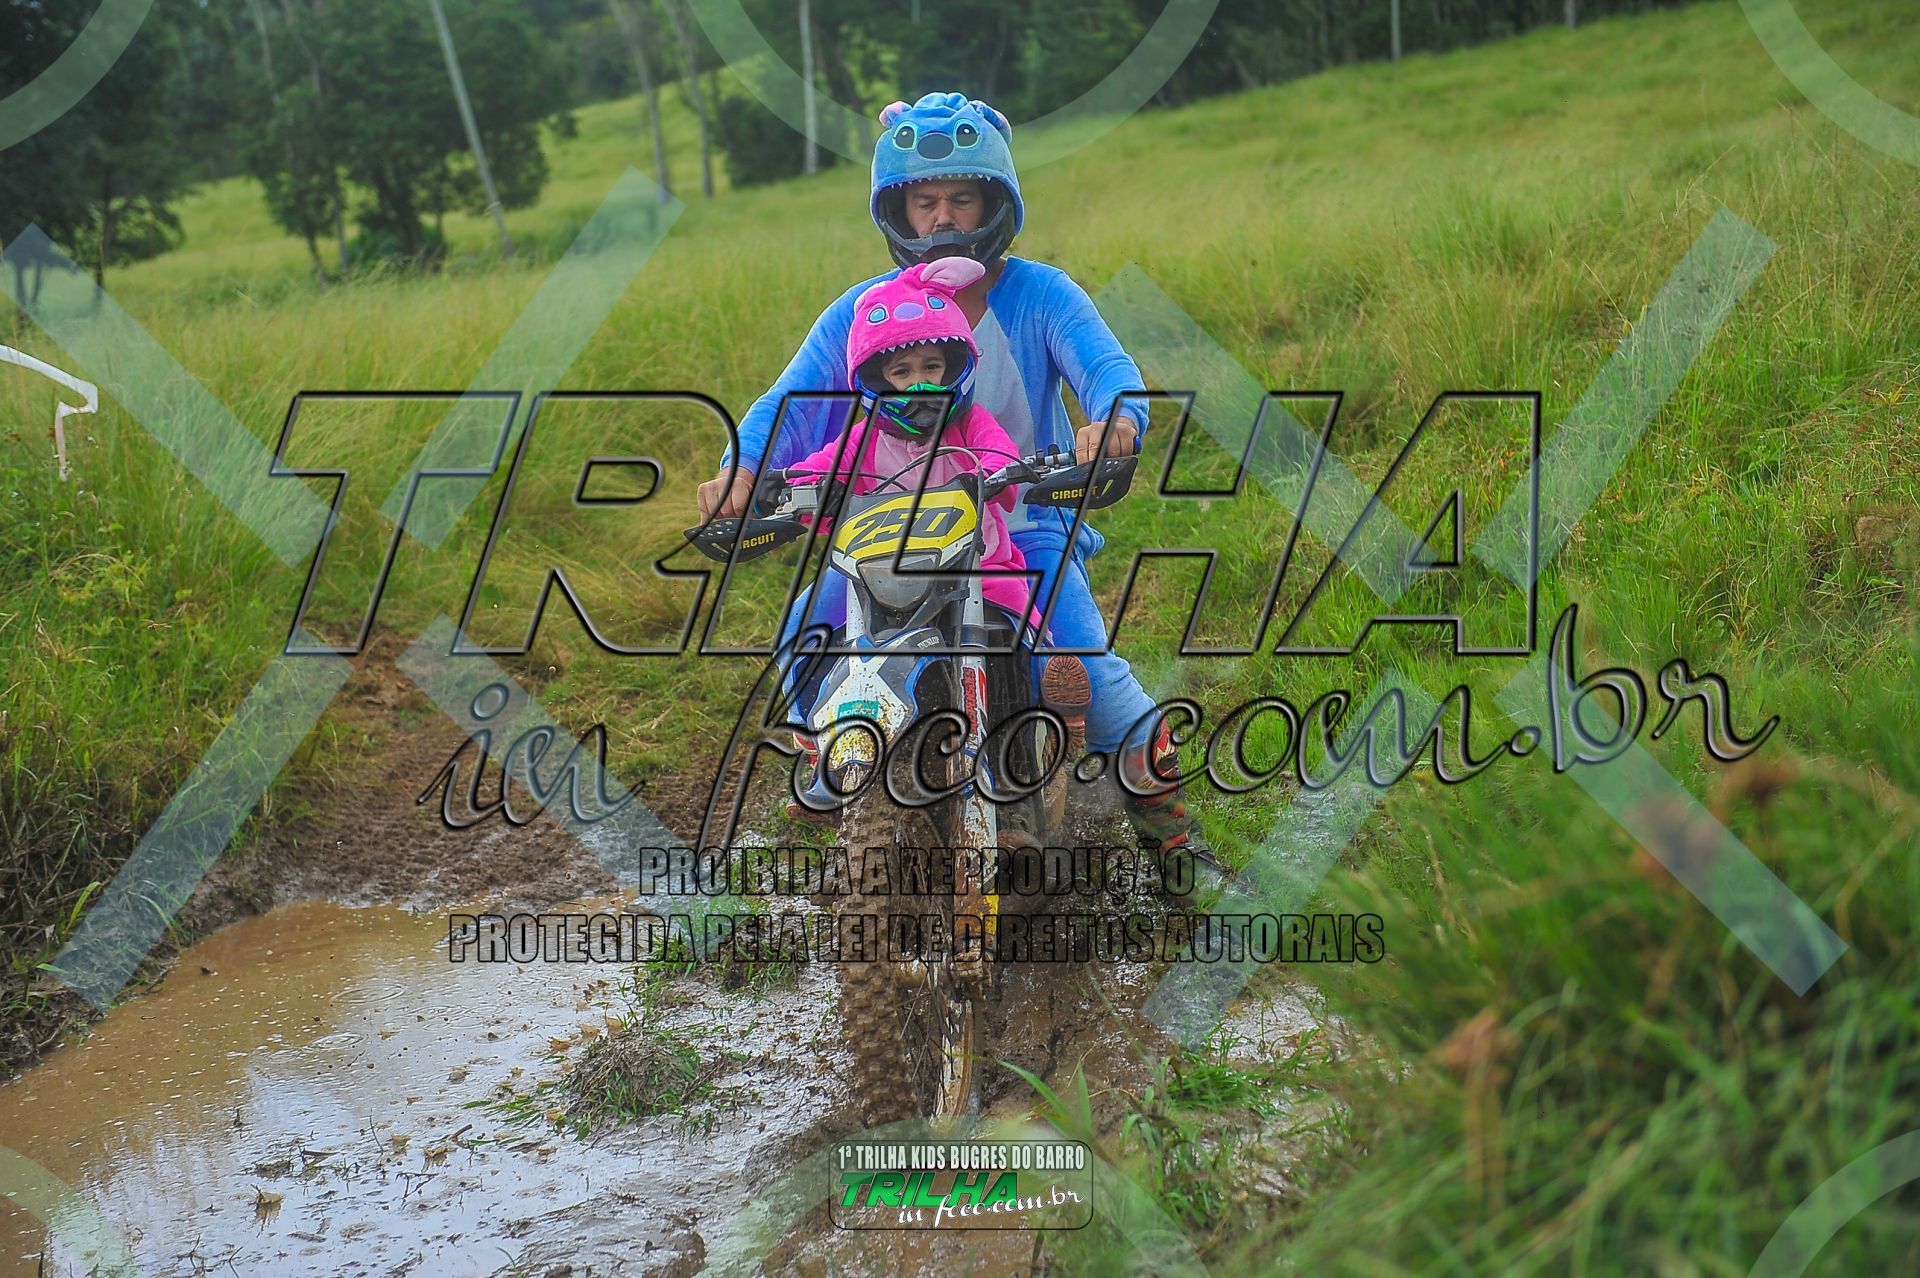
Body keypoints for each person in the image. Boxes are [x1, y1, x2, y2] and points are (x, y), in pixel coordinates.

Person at [697, 91, 1218, 876]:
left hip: (1024, 521)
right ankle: (834, 757)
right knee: (807, 632)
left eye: (961, 198)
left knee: (1092, 679)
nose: (942, 216)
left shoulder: (1042, 294)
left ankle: (1174, 842)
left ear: (995, 201)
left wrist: (1114, 422)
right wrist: (741, 466)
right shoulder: (865, 312)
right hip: (888, 530)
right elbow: (792, 404)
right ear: (896, 211)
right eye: (924, 201)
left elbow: (1108, 369)